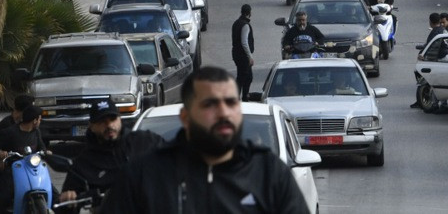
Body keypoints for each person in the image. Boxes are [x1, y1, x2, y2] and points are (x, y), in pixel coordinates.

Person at [102, 67, 309, 214]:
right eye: (210, 104)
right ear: (185, 116)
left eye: (230, 103)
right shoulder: (143, 177)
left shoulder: (269, 173)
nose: (223, 113)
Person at [57, 98, 164, 210]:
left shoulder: (145, 141)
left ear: (120, 119)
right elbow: (64, 205)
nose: (109, 125)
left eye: (112, 119)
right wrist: (67, 200)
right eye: (102, 121)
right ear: (92, 126)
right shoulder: (83, 164)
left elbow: (175, 160)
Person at [0, 106, 48, 213]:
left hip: (32, 169)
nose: (40, 121)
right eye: (40, 119)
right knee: (5, 197)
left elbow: (42, 147)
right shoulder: (10, 132)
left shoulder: (36, 132)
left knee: (52, 191)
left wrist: (45, 152)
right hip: (13, 169)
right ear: (35, 120)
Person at [231, 5, 255, 102]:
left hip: (236, 54)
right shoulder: (245, 25)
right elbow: (244, 42)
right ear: (249, 13)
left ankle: (243, 96)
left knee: (245, 76)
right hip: (242, 56)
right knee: (244, 77)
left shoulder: (236, 23)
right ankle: (243, 97)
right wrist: (250, 56)